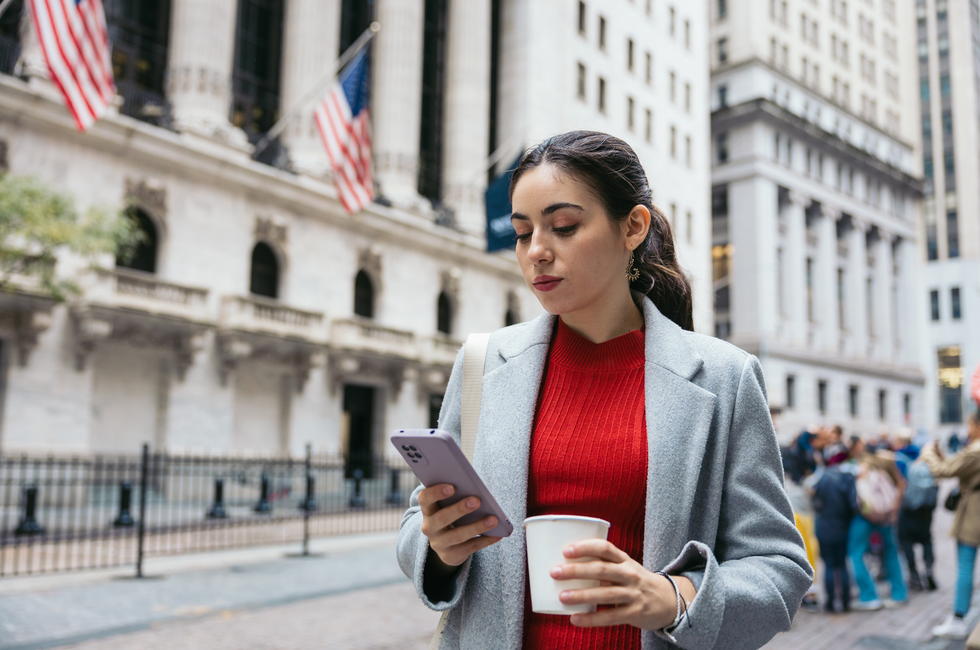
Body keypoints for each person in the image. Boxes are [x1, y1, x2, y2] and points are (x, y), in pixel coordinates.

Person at [396, 131, 812, 650]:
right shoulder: (482, 362)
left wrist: (672, 597)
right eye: (523, 234)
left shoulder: (725, 375)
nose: (537, 252)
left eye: (564, 227)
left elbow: (778, 565)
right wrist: (439, 548)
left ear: (632, 227)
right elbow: (418, 523)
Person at [923, 412, 980, 639]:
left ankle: (958, 618)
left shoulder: (976, 450)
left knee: (965, 566)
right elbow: (955, 465)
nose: (968, 430)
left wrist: (928, 454)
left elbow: (943, 470)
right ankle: (959, 616)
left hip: (973, 514)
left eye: (969, 425)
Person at [846, 443, 908, 610]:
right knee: (891, 551)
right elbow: (901, 484)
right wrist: (894, 510)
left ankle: (869, 596)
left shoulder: (859, 467)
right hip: (886, 515)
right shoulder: (886, 463)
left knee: (856, 553)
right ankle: (899, 593)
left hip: (865, 516)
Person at [811, 444, 857, 613]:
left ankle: (830, 602)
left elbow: (816, 503)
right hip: (842, 527)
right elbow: (853, 506)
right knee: (842, 565)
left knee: (829, 565)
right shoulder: (848, 478)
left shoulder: (823, 477)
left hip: (825, 527)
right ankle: (845, 602)